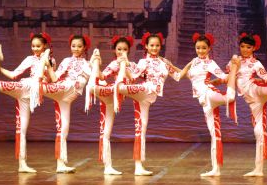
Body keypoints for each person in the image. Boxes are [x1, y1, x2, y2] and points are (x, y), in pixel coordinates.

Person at [114, 32, 189, 175]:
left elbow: (178, 76)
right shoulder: (143, 62)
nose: (154, 48)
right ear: (146, 47)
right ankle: (115, 88)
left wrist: (191, 65)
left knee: (142, 129)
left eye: (157, 45)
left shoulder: (164, 62)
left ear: (160, 46)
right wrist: (125, 64)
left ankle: (138, 167)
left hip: (150, 96)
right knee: (138, 128)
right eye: (151, 45)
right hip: (143, 90)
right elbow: (133, 76)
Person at [0, 32, 52, 173]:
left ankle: (22, 165)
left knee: (23, 129)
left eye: (38, 46)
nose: (35, 48)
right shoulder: (29, 58)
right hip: (25, 87)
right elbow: (14, 74)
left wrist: (47, 61)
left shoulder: (50, 60)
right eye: (33, 46)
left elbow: (51, 78)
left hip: (31, 93)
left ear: (45, 45)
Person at [227, 33, 267, 177]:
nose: (245, 49)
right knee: (258, 133)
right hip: (252, 101)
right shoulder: (235, 61)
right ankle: (258, 169)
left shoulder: (256, 63)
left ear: (253, 48)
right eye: (242, 46)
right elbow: (227, 77)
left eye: (248, 47)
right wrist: (215, 81)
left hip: (255, 90)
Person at [185, 33, 240, 177]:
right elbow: (182, 75)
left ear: (209, 49)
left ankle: (235, 67)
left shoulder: (210, 63)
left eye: (204, 48)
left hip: (208, 94)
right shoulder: (194, 62)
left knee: (230, 97)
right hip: (204, 101)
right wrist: (169, 65)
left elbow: (223, 77)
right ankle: (216, 169)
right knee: (214, 133)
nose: (201, 51)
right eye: (198, 48)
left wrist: (232, 72)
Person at [88, 35, 136, 175]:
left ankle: (107, 166)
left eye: (125, 49)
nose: (121, 52)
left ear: (129, 50)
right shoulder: (114, 64)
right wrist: (96, 65)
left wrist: (125, 64)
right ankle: (107, 166)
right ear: (115, 50)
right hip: (109, 92)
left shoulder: (131, 65)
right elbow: (103, 76)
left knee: (106, 131)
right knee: (105, 132)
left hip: (119, 92)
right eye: (119, 49)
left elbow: (132, 79)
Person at [43, 34, 91, 173]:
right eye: (73, 46)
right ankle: (60, 163)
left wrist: (95, 61)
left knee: (64, 128)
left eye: (79, 46)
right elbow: (55, 78)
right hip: (64, 88)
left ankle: (61, 164)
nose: (76, 48)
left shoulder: (87, 64)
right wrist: (49, 67)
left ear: (84, 47)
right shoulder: (66, 60)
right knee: (61, 128)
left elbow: (96, 77)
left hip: (70, 93)